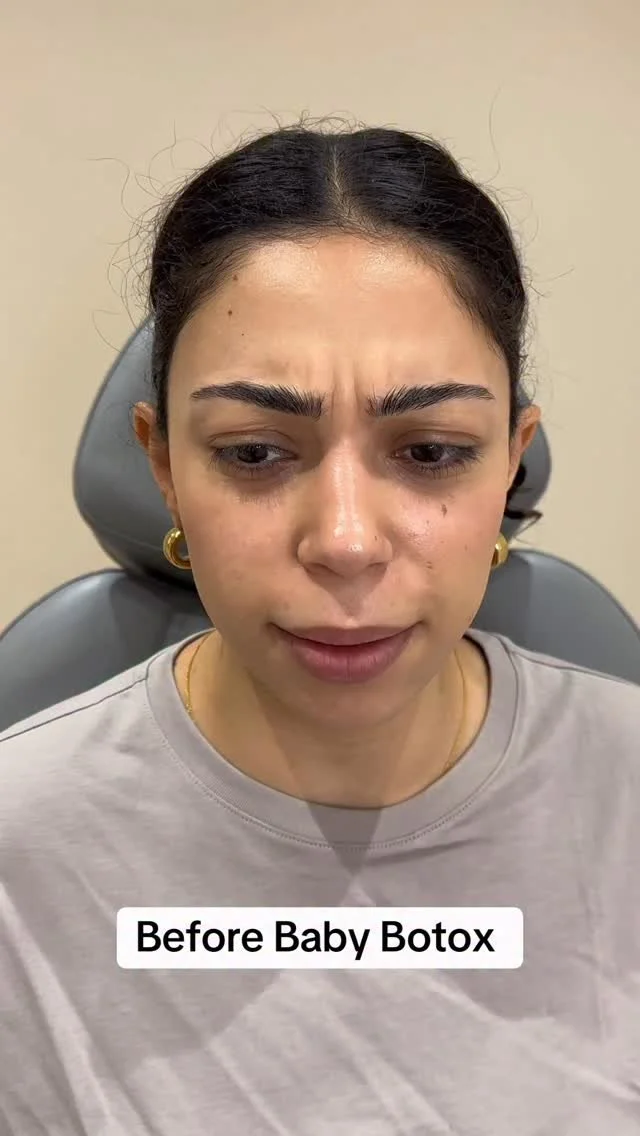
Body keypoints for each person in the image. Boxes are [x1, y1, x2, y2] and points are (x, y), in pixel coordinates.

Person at [0, 123, 638, 1136]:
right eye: (255, 452)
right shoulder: (21, 852)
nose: (345, 542)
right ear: (163, 464)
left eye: (430, 451)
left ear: (511, 460)